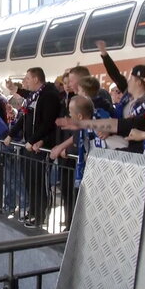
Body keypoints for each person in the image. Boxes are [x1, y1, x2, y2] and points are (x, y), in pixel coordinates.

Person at [4, 67, 62, 228]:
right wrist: (11, 133)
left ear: (36, 79)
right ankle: (34, 210)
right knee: (30, 181)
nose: (25, 81)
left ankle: (41, 215)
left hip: (40, 149)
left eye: (27, 78)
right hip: (29, 146)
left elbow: (48, 122)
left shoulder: (49, 95)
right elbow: (24, 117)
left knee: (40, 182)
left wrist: (35, 140)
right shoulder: (33, 96)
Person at [50, 95, 94, 230]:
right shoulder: (82, 130)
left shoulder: (96, 129)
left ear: (80, 117)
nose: (68, 115)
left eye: (70, 112)